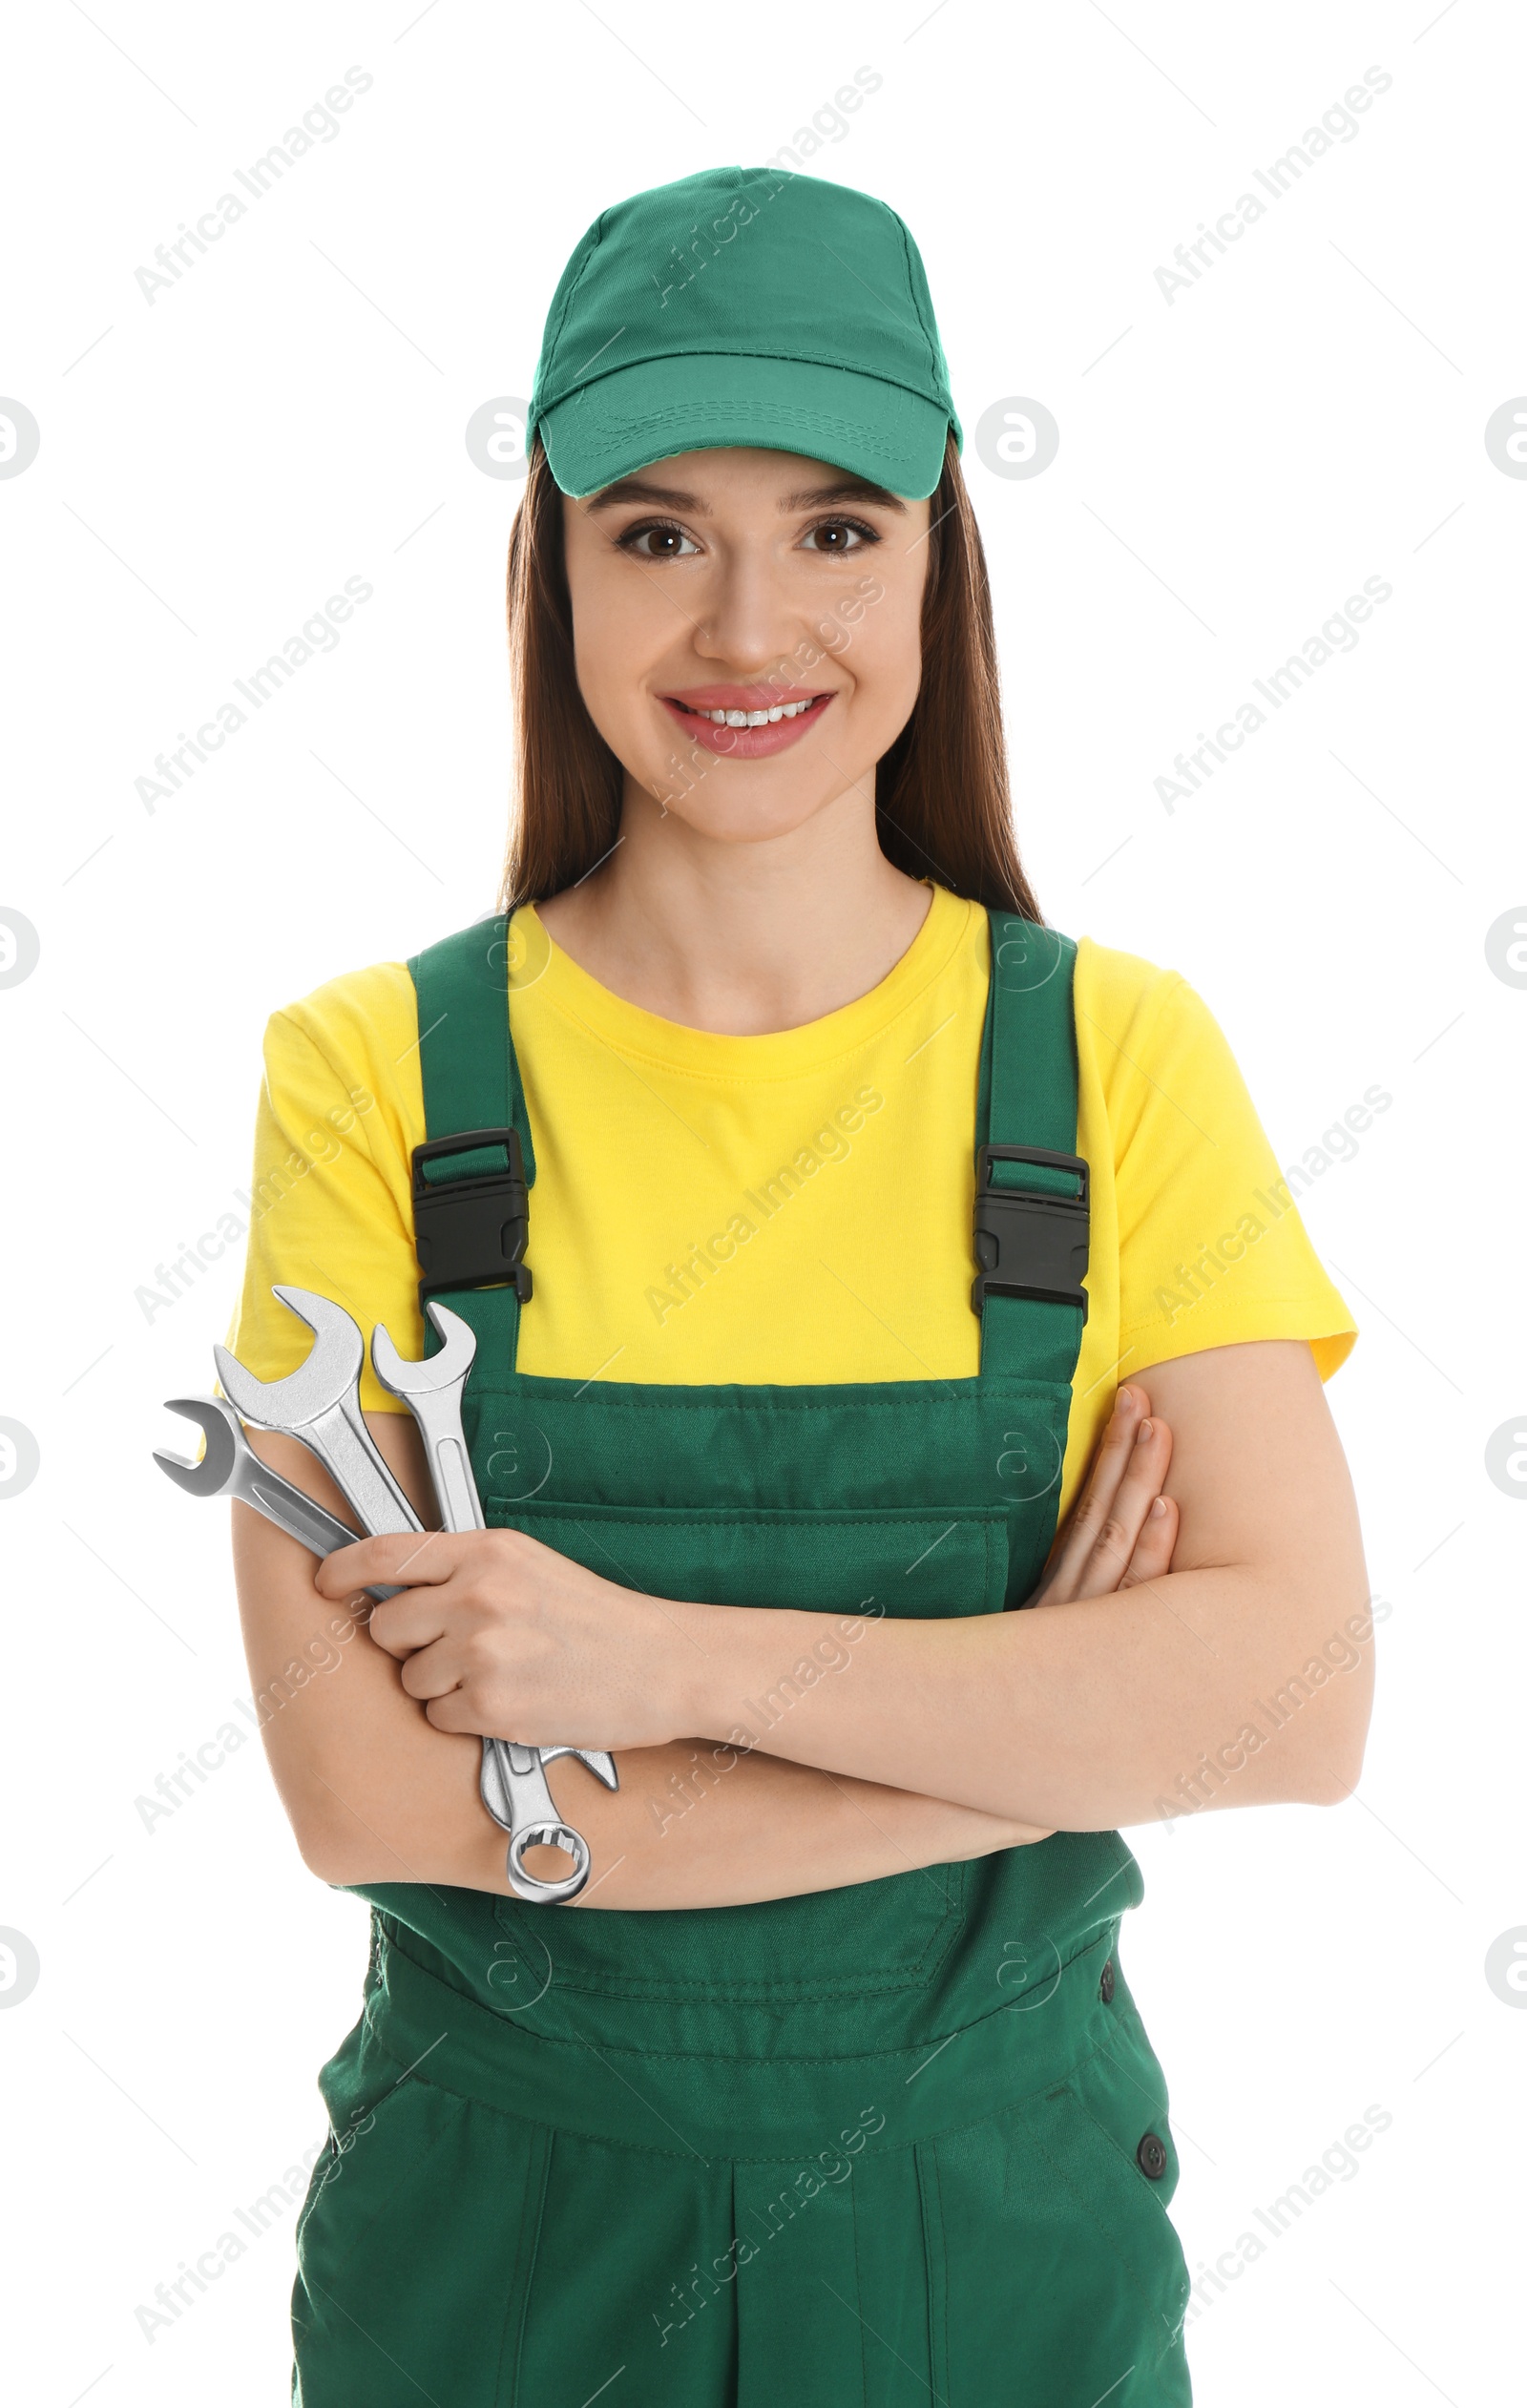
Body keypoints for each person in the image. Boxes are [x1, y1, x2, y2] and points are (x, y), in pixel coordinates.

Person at [226, 165, 1372, 2408]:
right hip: (501, 2266)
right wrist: (1028, 1733)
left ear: (941, 554)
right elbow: (367, 1796)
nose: (747, 630)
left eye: (834, 527)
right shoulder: (368, 1073)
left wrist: (643, 1666)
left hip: (995, 2248)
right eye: (655, 533)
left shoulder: (1107, 1058)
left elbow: (1292, 1704)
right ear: (545, 572)